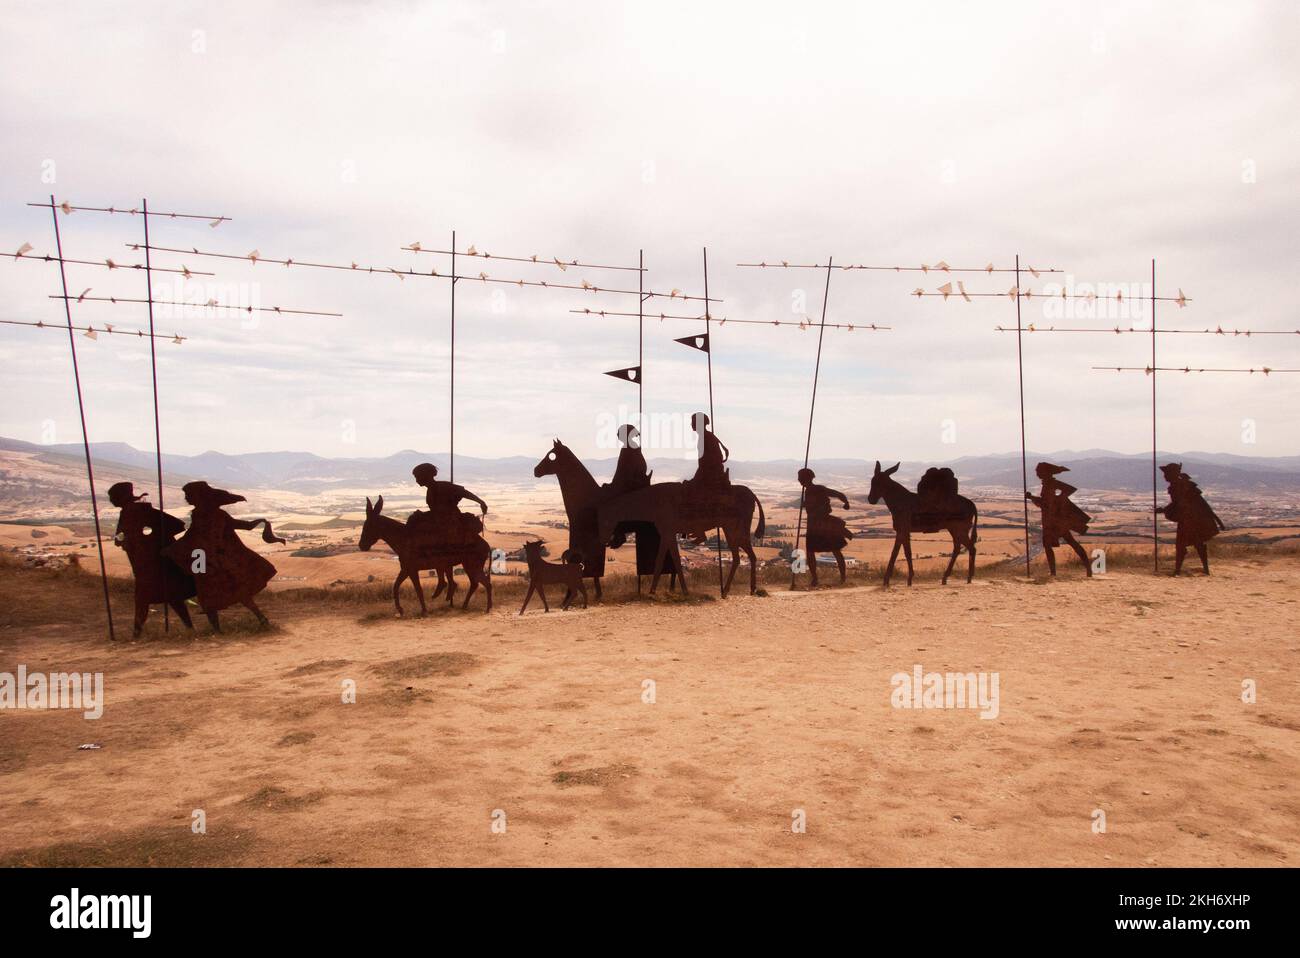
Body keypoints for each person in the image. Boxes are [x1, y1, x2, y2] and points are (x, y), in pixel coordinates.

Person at [164, 481, 283, 632]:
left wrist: (173, 549)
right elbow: (237, 525)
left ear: (198, 496)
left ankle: (217, 628)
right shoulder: (211, 513)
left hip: (207, 557)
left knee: (205, 589)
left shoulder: (204, 514)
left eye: (189, 495)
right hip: (214, 556)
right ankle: (259, 618)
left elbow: (196, 536)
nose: (186, 498)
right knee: (238, 590)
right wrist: (256, 523)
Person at [108, 481, 197, 636]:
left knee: (145, 597)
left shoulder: (142, 511)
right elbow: (119, 537)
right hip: (145, 563)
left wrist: (151, 540)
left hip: (154, 562)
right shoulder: (127, 513)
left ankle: (137, 633)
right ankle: (189, 627)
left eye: (113, 497)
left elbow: (177, 525)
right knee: (171, 595)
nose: (111, 501)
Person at [1025, 462, 1092, 577]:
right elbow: (1045, 502)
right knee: (1067, 543)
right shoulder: (1047, 484)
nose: (1036, 473)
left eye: (1038, 471)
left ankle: (1055, 573)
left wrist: (1058, 500)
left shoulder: (1052, 483)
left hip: (1054, 521)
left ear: (1045, 472)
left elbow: (1069, 490)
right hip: (1051, 520)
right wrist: (1033, 497)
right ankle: (1085, 569)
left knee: (1064, 543)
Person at [1160, 462, 1225, 575]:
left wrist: (1163, 510)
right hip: (1191, 518)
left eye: (1166, 474)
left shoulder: (1178, 486)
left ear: (1172, 474)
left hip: (1188, 519)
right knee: (1197, 543)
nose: (1164, 476)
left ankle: (1178, 571)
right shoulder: (1182, 484)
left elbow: (1179, 503)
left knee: (1182, 545)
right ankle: (1204, 569)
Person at [409, 462, 488, 548]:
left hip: (449, 519)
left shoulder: (443, 486)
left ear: (425, 476)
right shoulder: (431, 489)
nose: (416, 480)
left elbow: (464, 493)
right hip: (437, 518)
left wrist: (481, 502)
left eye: (417, 477)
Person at [798, 467, 853, 586]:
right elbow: (838, 494)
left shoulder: (818, 489)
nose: (798, 480)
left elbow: (838, 494)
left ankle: (839, 578)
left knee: (833, 550)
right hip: (815, 525)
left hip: (821, 524)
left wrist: (846, 503)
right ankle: (817, 579)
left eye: (800, 477)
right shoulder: (810, 491)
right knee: (814, 551)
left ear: (805, 478)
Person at [605, 424, 651, 497]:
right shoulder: (632, 447)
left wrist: (615, 484)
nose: (618, 436)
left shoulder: (627, 448)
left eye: (619, 434)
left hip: (631, 482)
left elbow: (623, 471)